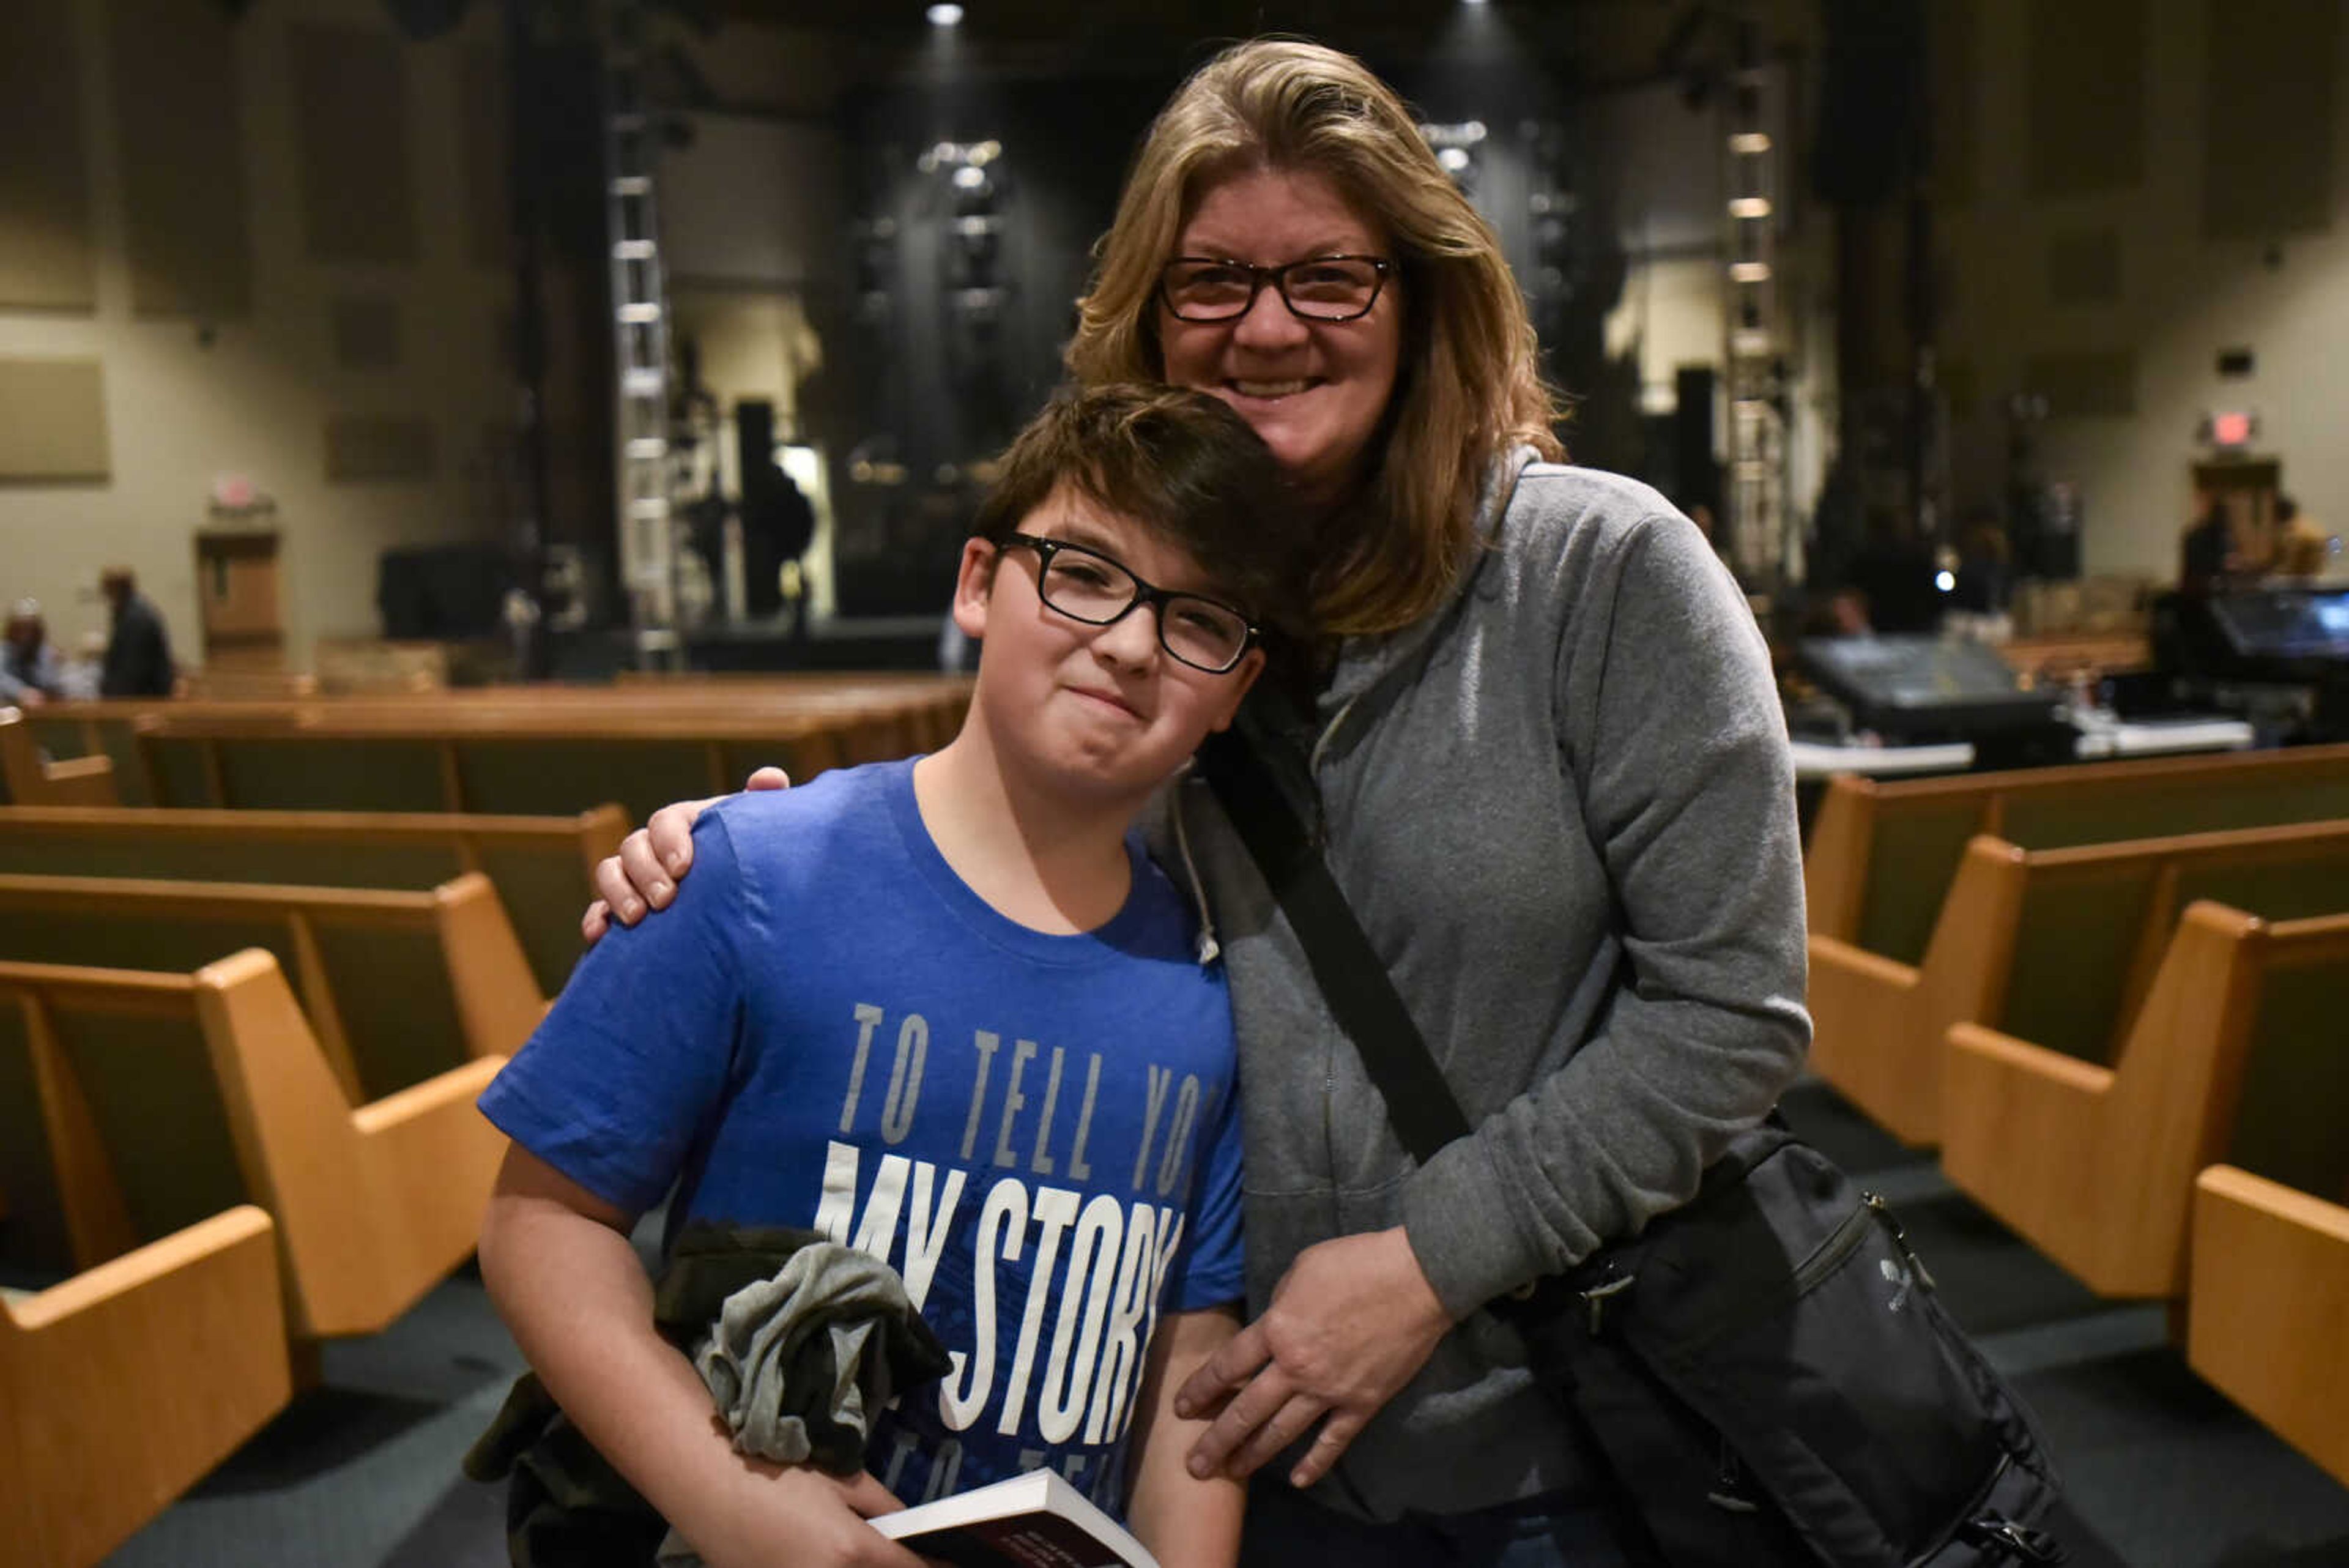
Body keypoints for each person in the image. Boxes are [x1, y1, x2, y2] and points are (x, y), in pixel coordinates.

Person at [587, 39, 1808, 1566]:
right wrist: (761, 845)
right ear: (1150, 319)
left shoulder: (1606, 574)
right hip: (1197, 1458)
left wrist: (1425, 1265)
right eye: (1210, 281)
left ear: (1424, 299)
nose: (1266, 328)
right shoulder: (1147, 624)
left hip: (1551, 1444)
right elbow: (996, 861)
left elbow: (1732, 1015)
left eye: (1329, 280)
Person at [478, 384, 1308, 1568]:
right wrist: (729, 1499)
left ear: (1234, 686)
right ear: (979, 581)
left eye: (1200, 619)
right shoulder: (749, 875)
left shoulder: (1206, 992)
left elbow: (1185, 1343)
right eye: (1084, 572)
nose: (1130, 641)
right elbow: (541, 1217)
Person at [97, 566, 174, 697]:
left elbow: (133, 666)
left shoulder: (136, 618)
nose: (104, 594)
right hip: (143, 689)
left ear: (116, 588)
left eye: (106, 589)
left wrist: (113, 696)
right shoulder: (130, 611)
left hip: (145, 695)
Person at [0, 599, 66, 706]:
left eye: (30, 628)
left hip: (41, 709)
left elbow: (51, 684)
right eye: (20, 629)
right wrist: (21, 692)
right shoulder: (3, 651)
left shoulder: (47, 652)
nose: (25, 634)